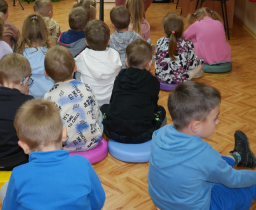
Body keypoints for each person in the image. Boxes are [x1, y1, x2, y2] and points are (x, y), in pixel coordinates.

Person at [148, 82, 256, 210]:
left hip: (163, 203)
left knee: (212, 165)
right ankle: (240, 158)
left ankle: (239, 155)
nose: (218, 121)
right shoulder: (204, 155)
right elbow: (234, 180)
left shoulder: (160, 134)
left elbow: (203, 164)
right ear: (196, 126)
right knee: (243, 190)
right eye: (215, 118)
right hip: (195, 207)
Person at [1, 99, 106, 209]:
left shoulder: (18, 174)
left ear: (24, 146)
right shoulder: (83, 164)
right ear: (64, 133)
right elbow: (98, 201)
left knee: (5, 189)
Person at [101, 39, 166, 143]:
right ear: (150, 63)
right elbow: (153, 106)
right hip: (143, 134)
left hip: (113, 132)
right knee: (161, 111)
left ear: (126, 62)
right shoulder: (153, 81)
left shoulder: (120, 77)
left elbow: (113, 101)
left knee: (104, 107)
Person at [44, 45, 103, 151]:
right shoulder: (87, 87)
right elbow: (96, 114)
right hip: (93, 140)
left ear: (46, 74)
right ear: (75, 68)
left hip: (64, 145)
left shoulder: (48, 97)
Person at [75, 20, 121, 107]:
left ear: (87, 43)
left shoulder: (83, 56)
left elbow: (72, 66)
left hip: (89, 101)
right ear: (108, 41)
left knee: (77, 73)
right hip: (110, 99)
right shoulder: (115, 55)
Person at [155, 12, 204, 84]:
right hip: (181, 79)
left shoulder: (159, 41)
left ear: (164, 30)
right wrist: (199, 60)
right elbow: (191, 65)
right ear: (183, 29)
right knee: (199, 62)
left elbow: (158, 60)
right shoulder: (188, 43)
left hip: (161, 77)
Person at [17, 14, 54, 98]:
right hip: (50, 100)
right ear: (45, 32)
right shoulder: (51, 54)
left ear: (25, 34)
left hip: (29, 102)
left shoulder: (20, 57)